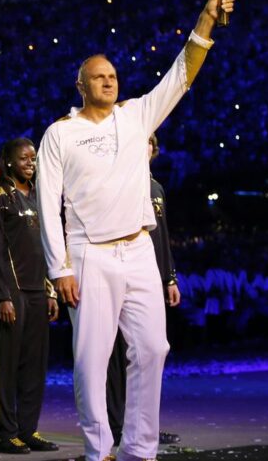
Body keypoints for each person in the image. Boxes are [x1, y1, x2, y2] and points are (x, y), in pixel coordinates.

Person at [37, 0, 235, 461]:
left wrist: (206, 19)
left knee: (153, 347)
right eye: (98, 77)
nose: (108, 81)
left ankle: (139, 450)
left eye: (112, 76)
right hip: (89, 253)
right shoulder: (61, 133)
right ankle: (98, 449)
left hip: (139, 247)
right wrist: (59, 268)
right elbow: (46, 203)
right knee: (91, 358)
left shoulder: (136, 116)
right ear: (81, 85)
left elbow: (181, 75)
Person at [106, 135, 183, 448]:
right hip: (121, 275)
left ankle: (144, 426)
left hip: (150, 278)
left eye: (149, 142)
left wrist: (169, 278)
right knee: (118, 356)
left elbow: (161, 237)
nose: (144, 147)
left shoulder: (156, 188)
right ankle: (117, 425)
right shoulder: (118, 181)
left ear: (154, 149)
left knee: (149, 353)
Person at [0, 139, 60, 455]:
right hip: (12, 293)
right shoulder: (1, 198)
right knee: (8, 364)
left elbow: (49, 247)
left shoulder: (39, 196)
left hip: (38, 293)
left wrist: (51, 291)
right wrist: (2, 295)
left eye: (34, 158)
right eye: (24, 158)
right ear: (9, 162)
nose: (31, 162)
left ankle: (28, 430)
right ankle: (6, 432)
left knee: (34, 365)